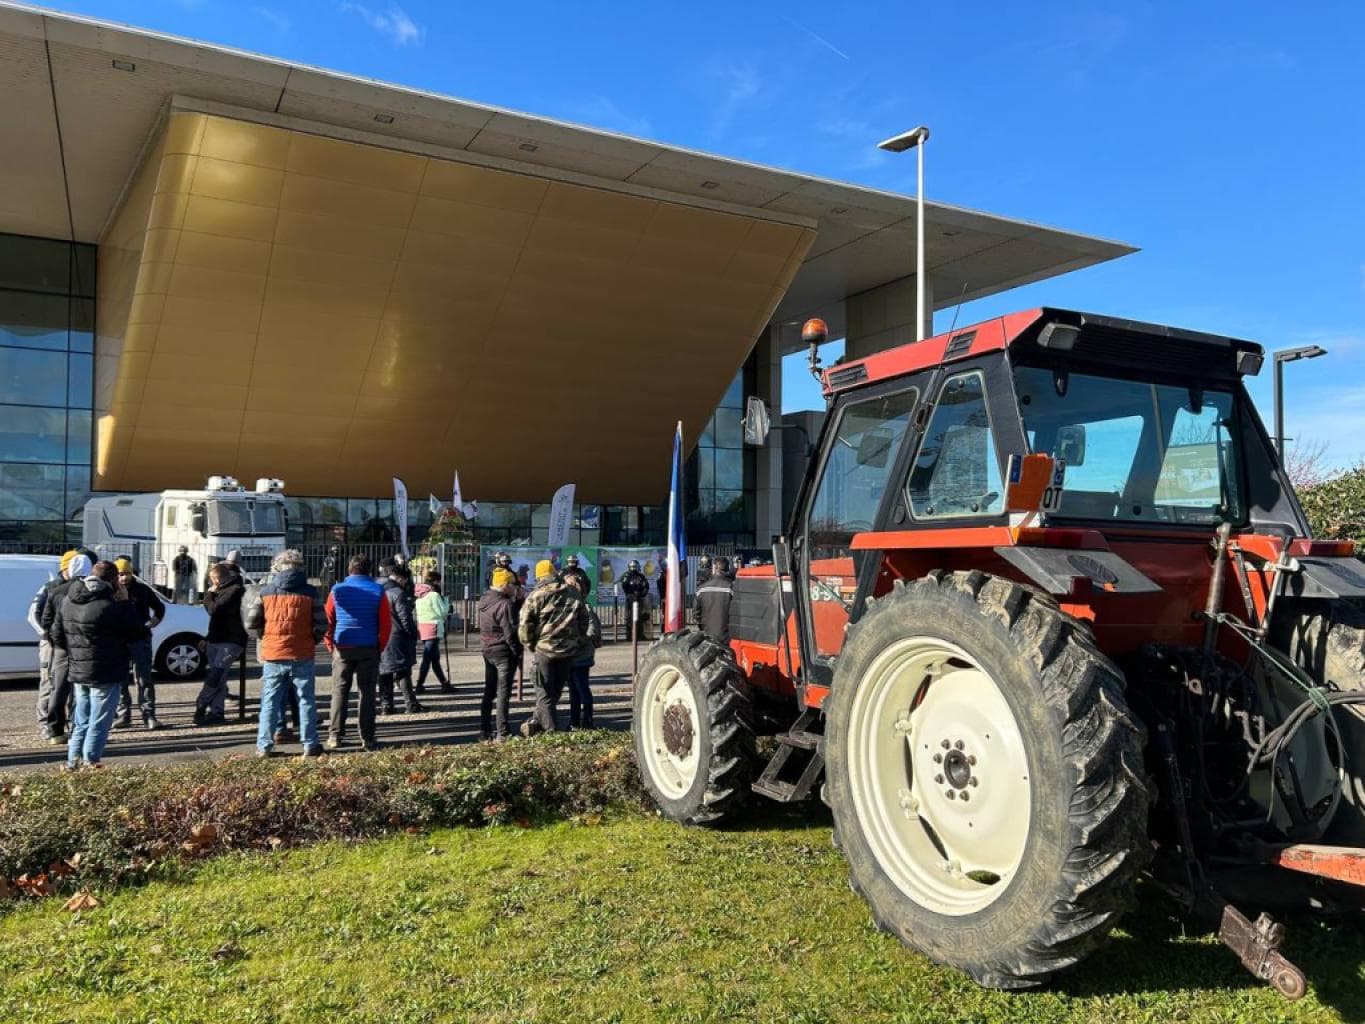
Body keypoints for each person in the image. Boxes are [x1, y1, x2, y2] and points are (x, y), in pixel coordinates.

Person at [53, 560, 143, 770]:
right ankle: (90, 761)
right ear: (113, 580)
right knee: (99, 721)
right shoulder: (111, 606)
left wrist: (75, 653)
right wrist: (126, 603)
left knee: (81, 719)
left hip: (77, 669)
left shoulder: (68, 600)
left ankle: (72, 761)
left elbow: (56, 634)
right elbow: (138, 633)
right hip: (106, 670)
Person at [243, 548, 328, 758]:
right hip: (302, 653)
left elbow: (251, 622)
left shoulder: (265, 592)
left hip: (273, 653)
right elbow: (321, 623)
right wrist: (312, 639)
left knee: (270, 701)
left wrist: (265, 636)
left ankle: (264, 745)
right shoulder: (310, 593)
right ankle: (310, 743)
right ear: (300, 567)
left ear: (276, 567)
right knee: (305, 699)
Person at [518, 559, 594, 736]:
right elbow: (584, 619)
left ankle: (550, 731)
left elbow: (524, 624)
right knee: (555, 692)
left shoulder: (536, 595)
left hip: (544, 650)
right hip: (568, 651)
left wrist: (529, 643)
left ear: (539, 576)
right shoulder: (572, 593)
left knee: (544, 692)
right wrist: (576, 638)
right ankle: (536, 721)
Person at [324, 554, 391, 751]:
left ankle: (335, 734)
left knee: (339, 690)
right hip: (369, 645)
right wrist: (380, 645)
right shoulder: (378, 590)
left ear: (349, 570)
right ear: (369, 571)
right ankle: (367, 737)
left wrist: (330, 644)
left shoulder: (336, 590)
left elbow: (329, 620)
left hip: (343, 645)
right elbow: (386, 624)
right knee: (367, 693)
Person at [30, 549, 81, 744]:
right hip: (51, 643)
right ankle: (46, 725)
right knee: (49, 684)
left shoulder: (76, 586)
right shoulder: (51, 587)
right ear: (65, 568)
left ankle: (70, 724)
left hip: (67, 645)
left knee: (70, 688)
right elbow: (35, 614)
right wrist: (48, 636)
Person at [112, 557, 166, 731]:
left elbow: (160, 607)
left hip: (141, 639)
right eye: (121, 574)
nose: (124, 578)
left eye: (127, 573)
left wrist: (153, 622)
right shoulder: (111, 590)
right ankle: (123, 715)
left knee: (144, 679)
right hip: (119, 640)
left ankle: (149, 715)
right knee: (120, 680)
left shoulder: (142, 590)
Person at [194, 562, 246, 726]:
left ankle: (201, 705)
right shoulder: (226, 590)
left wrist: (209, 594)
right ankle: (217, 712)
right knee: (219, 679)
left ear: (216, 579)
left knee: (216, 675)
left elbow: (214, 610)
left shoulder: (234, 590)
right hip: (217, 639)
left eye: (212, 580)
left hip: (231, 641)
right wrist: (208, 638)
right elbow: (218, 619)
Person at [477, 567, 520, 741]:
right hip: (503, 651)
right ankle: (503, 732)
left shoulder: (484, 600)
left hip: (487, 649)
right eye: (512, 585)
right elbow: (509, 632)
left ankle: (484, 729)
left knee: (489, 690)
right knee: (503, 693)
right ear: (504, 585)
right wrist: (518, 652)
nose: (514, 588)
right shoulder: (505, 604)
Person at [378, 560, 422, 715]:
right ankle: (410, 703)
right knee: (402, 670)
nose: (404, 583)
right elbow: (405, 618)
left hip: (379, 635)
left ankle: (386, 705)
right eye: (404, 580)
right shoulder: (397, 593)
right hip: (396, 636)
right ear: (398, 578)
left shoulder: (376, 590)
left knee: (384, 671)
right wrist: (413, 633)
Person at [564, 572, 602, 729]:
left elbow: (592, 630)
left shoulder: (584, 606)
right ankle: (574, 722)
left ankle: (587, 720)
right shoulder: (568, 606)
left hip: (581, 655)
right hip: (570, 655)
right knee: (573, 691)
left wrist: (578, 641)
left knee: (582, 689)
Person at [414, 572, 453, 694]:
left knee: (434, 658)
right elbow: (442, 612)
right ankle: (419, 684)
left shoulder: (420, 595)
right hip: (433, 627)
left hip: (423, 626)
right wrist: (446, 601)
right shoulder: (434, 595)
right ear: (436, 581)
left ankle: (444, 683)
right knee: (428, 657)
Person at [695, 555, 735, 646]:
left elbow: (696, 613)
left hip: (707, 634)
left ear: (714, 568)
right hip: (727, 636)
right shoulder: (732, 588)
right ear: (727, 569)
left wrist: (703, 626)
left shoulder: (701, 589)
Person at [619, 559, 651, 641]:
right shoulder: (626, 575)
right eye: (632, 567)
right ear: (629, 567)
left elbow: (646, 586)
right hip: (630, 598)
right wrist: (631, 593)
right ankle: (630, 636)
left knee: (639, 617)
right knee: (629, 617)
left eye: (635, 567)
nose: (633, 568)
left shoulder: (641, 576)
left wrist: (642, 593)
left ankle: (640, 635)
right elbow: (624, 586)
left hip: (639, 598)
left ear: (638, 567)